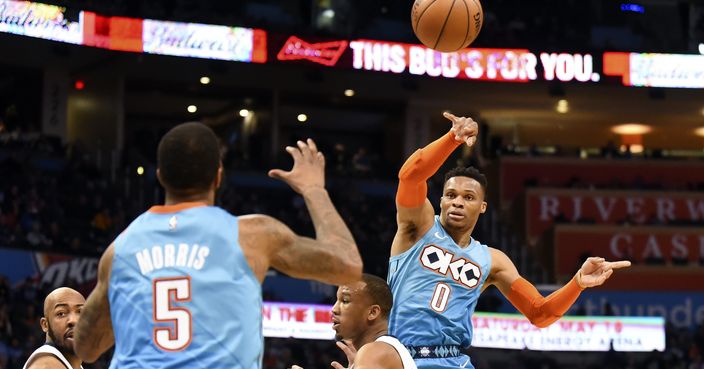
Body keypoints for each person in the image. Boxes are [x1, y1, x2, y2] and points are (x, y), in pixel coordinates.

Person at [74, 122, 363, 368]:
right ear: (218, 176)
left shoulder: (120, 250)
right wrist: (314, 190)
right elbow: (347, 265)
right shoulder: (253, 235)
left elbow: (86, 349)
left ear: (160, 176)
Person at [388, 112, 631, 369]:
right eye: (450, 195)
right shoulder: (418, 227)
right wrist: (452, 139)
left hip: (453, 361)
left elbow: (540, 313)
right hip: (401, 357)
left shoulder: (492, 260)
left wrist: (577, 283)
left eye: (468, 197)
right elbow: (410, 176)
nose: (457, 201)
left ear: (482, 207)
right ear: (441, 201)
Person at [293, 273, 416, 369]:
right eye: (336, 300)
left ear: (372, 312)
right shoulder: (384, 350)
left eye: (345, 301)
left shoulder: (374, 351)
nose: (334, 309)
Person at [24, 287, 85, 369]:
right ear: (45, 325)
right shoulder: (45, 365)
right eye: (61, 313)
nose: (73, 320)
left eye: (80, 312)